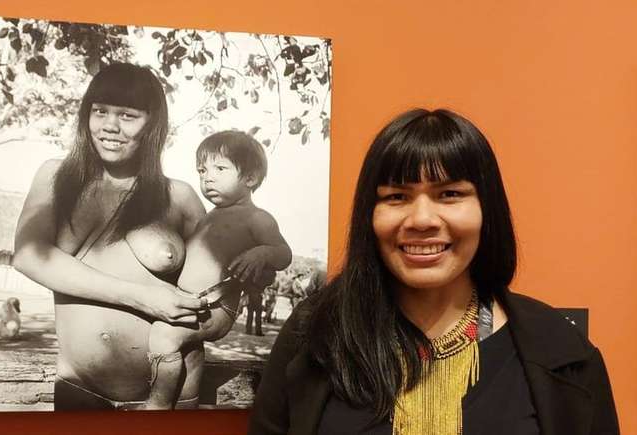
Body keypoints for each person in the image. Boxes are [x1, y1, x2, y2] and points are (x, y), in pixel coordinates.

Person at [248, 109, 619, 434]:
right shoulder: (313, 334)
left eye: (450, 194)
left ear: (486, 210)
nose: (422, 219)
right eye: (396, 197)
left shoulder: (563, 353)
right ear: (369, 215)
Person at [13, 62, 209, 410]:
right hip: (82, 392)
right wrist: (141, 297)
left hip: (173, 398)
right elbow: (29, 256)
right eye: (99, 111)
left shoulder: (180, 197)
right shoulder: (56, 177)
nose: (109, 126)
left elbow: (219, 303)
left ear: (153, 125)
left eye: (127, 115)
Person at [144, 130, 292, 409]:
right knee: (181, 349)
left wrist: (261, 253)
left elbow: (284, 254)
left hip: (216, 306)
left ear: (250, 178)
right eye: (202, 170)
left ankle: (157, 406)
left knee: (164, 335)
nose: (207, 177)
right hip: (194, 301)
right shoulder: (210, 217)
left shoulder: (257, 218)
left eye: (220, 169)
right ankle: (184, 403)